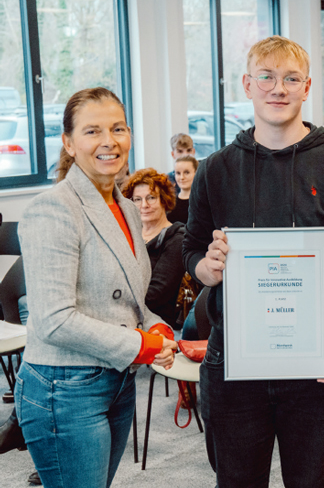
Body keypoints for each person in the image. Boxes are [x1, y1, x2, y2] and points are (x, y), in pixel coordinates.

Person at [182, 35, 324, 487]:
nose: (279, 88)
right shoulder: (215, 170)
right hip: (234, 361)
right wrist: (207, 269)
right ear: (247, 85)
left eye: (291, 78)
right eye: (267, 78)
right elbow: (192, 249)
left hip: (315, 364)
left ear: (307, 86)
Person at [15, 87, 177, 488]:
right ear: (68, 142)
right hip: (65, 389)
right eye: (93, 131)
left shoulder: (122, 205)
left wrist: (156, 326)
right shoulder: (53, 208)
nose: (109, 141)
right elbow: (53, 320)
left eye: (118, 128)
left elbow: (131, 301)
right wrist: (141, 346)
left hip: (115, 380)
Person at [122, 168, 187, 329]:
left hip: (156, 322)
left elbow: (157, 294)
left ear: (164, 199)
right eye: (137, 199)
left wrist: (116, 302)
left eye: (151, 197)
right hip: (125, 315)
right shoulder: (128, 235)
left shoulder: (176, 238)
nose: (144, 205)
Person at [167, 155, 197, 225]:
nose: (182, 177)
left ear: (196, 173)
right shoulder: (169, 203)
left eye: (186, 172)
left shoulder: (202, 202)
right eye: (178, 173)